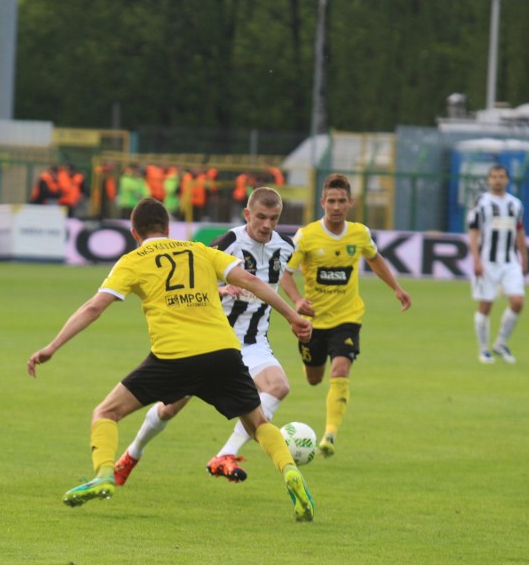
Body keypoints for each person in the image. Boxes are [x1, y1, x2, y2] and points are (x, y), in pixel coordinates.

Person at [27, 197, 316, 521]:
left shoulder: (132, 260)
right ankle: (289, 471)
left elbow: (93, 307)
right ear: (168, 228)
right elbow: (251, 281)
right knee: (260, 423)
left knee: (106, 412)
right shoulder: (199, 250)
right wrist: (292, 316)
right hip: (223, 352)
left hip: (173, 357)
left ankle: (105, 473)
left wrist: (52, 346)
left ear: (135, 233)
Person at [113, 187, 296, 485]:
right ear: (248, 214)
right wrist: (221, 289)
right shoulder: (227, 243)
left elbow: (285, 275)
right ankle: (133, 453)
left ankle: (225, 454)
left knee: (278, 386)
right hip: (210, 340)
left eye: (274, 218)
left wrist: (297, 303)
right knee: (170, 407)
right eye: (261, 217)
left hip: (252, 342)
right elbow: (190, 279)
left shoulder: (286, 246)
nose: (267, 225)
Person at [280, 173, 411, 459]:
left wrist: (396, 288)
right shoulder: (306, 236)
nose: (336, 206)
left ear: (350, 203)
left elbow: (375, 259)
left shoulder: (360, 234)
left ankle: (329, 435)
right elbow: (285, 274)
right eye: (331, 201)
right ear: (322, 202)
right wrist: (298, 300)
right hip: (313, 321)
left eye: (341, 201)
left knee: (340, 369)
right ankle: (312, 365)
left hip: (347, 317)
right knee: (315, 379)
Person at [467, 164, 528, 364]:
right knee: (486, 305)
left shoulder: (516, 204)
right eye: (493, 176)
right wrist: (475, 259)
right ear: (488, 180)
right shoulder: (481, 203)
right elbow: (473, 232)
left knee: (518, 302)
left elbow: (519, 231)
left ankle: (501, 343)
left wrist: (524, 257)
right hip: (487, 261)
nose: (497, 180)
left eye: (501, 176)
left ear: (507, 180)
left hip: (510, 261)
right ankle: (483, 349)